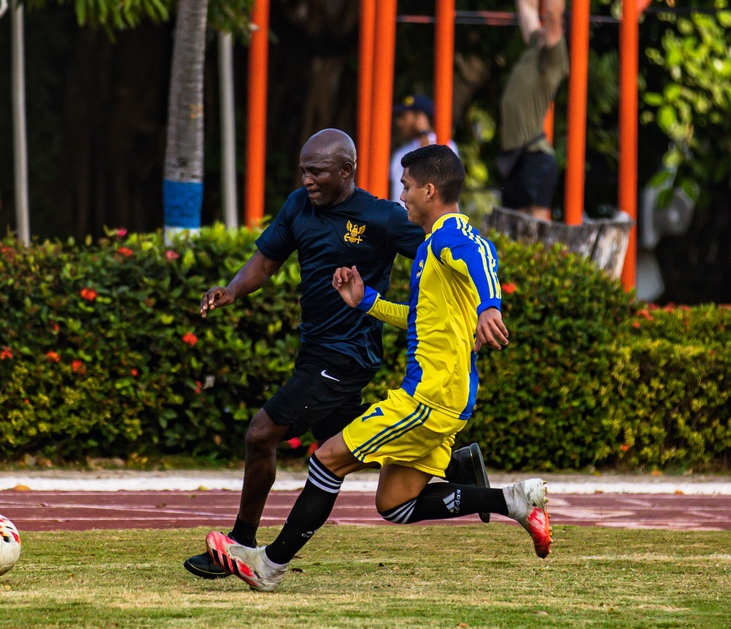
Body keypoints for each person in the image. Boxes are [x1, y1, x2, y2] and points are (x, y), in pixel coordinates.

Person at [206, 145, 553, 592]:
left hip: (428, 398)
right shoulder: (433, 246)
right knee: (394, 503)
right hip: (449, 401)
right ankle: (512, 500)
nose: (401, 195)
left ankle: (268, 565)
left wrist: (491, 306)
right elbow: (421, 315)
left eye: (406, 187)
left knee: (327, 460)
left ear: (429, 190)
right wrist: (365, 301)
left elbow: (483, 253)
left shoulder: (449, 234)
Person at [498, 0, 568, 221]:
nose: (544, 27)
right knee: (514, 232)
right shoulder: (535, 47)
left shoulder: (554, 57)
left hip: (534, 157)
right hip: (516, 158)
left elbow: (554, 11)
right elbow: (527, 9)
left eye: (549, 26)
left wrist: (552, 17)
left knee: (536, 230)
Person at [389, 94, 457, 202]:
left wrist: (424, 133)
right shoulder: (400, 153)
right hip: (402, 217)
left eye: (404, 116)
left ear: (419, 117)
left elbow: (432, 174)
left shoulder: (447, 145)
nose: (399, 122)